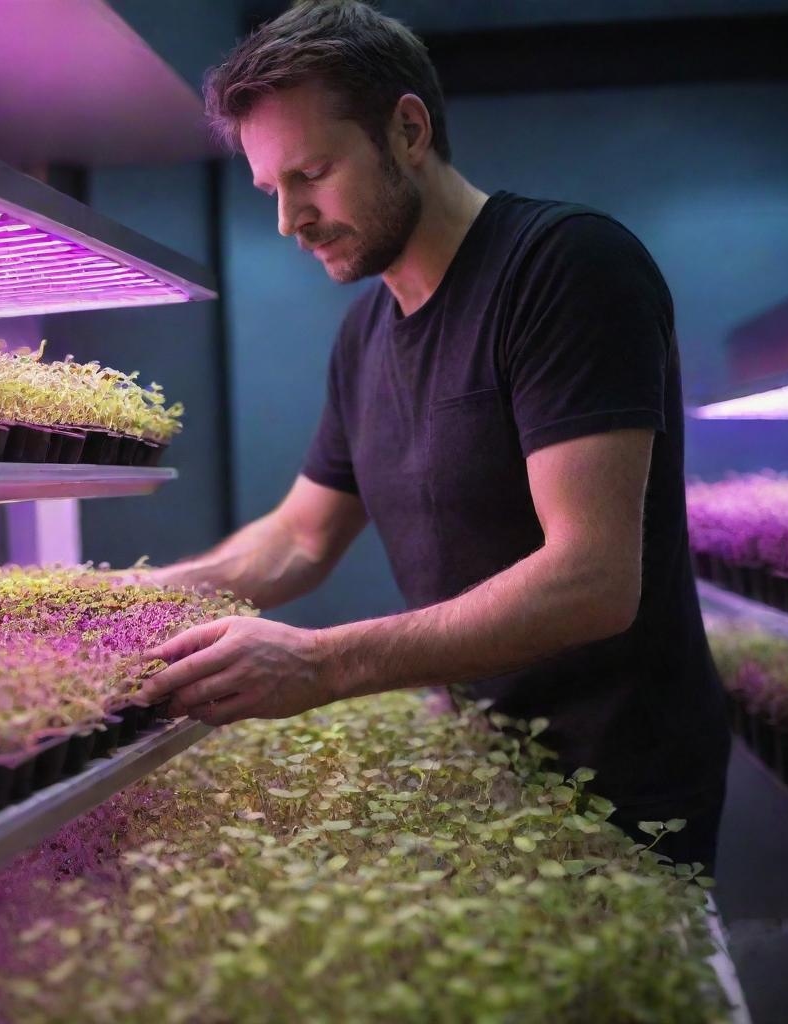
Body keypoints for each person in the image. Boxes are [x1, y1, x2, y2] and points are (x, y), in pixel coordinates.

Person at [132, 0, 731, 870]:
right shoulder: (366, 335)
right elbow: (299, 538)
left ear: (407, 129)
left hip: (621, 793)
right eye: (272, 189)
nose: (288, 219)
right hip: (483, 771)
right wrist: (126, 601)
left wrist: (323, 664)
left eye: (315, 172)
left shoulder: (565, 269)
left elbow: (596, 579)